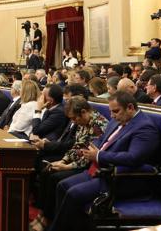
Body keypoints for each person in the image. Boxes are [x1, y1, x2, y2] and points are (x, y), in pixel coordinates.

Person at [48, 91, 161, 231]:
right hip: (100, 170)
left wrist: (98, 156)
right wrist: (90, 149)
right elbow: (102, 141)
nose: (112, 116)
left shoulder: (145, 127)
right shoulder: (119, 120)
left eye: (116, 111)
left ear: (130, 108)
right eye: (111, 111)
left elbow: (134, 158)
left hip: (122, 178)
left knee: (73, 193)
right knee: (62, 185)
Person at [32, 97, 109, 230]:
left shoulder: (98, 126)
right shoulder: (83, 122)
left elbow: (87, 156)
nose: (73, 122)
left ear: (84, 112)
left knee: (56, 177)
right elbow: (76, 146)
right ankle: (44, 215)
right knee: (48, 170)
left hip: (89, 165)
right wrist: (63, 160)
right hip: (78, 161)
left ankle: (50, 219)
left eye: (74, 118)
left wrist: (66, 166)